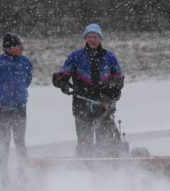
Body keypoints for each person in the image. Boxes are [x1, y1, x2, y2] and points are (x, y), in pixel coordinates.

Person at [53, 23, 124, 156]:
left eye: (95, 36)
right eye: (89, 36)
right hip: (82, 106)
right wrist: (63, 84)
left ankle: (107, 170)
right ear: (85, 38)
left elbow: (119, 78)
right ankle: (84, 170)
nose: (92, 39)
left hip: (104, 106)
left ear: (100, 39)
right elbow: (62, 75)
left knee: (105, 144)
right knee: (84, 143)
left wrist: (114, 89)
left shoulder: (109, 57)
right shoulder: (75, 56)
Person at [0, 33, 33, 187]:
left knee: (20, 142)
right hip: (1, 108)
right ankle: (4, 174)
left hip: (19, 107)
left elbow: (28, 79)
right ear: (9, 47)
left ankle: (22, 172)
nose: (22, 48)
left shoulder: (25, 62)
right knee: (4, 141)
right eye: (19, 45)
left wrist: (18, 94)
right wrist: (1, 94)